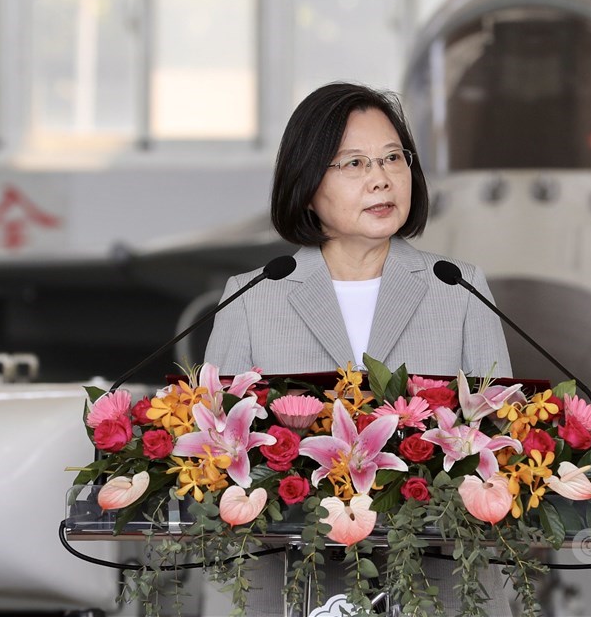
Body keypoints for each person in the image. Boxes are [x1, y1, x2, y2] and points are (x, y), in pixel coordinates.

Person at [202, 82, 516, 616]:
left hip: (436, 583)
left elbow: (502, 441)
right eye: (353, 164)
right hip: (283, 583)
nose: (381, 177)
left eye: (393, 157)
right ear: (306, 183)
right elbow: (212, 451)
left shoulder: (457, 288)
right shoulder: (254, 295)